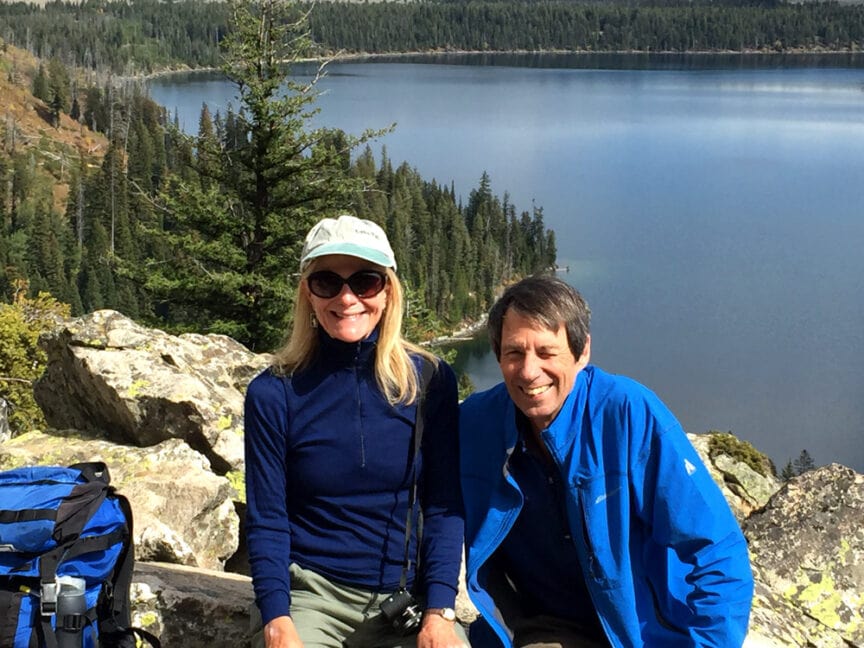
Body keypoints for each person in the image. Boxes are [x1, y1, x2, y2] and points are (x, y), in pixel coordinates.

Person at [459, 275, 754, 648]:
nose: (529, 371)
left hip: (642, 632)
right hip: (550, 627)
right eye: (514, 352)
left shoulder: (627, 414)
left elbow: (716, 548)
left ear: (582, 353)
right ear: (498, 354)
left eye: (547, 353)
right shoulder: (476, 425)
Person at [245, 215, 468, 648]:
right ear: (308, 293)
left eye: (364, 282)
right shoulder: (274, 393)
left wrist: (439, 611)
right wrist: (276, 617)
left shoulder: (429, 381)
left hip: (405, 598)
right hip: (310, 595)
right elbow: (268, 519)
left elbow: (443, 505)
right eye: (327, 282)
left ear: (388, 291)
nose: (346, 298)